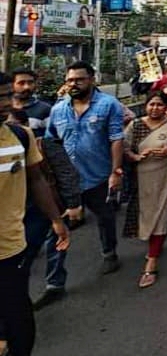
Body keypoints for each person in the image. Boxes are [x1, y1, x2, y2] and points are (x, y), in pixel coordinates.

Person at [0, 71, 71, 356]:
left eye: (7, 95)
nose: (6, 103)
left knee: (19, 320)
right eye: (0, 97)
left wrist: (56, 219)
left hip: (10, 247)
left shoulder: (20, 135)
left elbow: (37, 179)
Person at [47, 60, 124, 276]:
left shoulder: (108, 104)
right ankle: (54, 280)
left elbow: (116, 138)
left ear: (91, 79)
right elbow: (50, 141)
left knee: (105, 217)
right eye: (70, 80)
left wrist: (115, 172)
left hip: (99, 177)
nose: (74, 84)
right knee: (56, 227)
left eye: (79, 79)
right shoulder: (58, 110)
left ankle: (109, 254)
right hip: (67, 181)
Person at [13, 108, 81, 312]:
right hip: (20, 212)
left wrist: (72, 204)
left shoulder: (44, 144)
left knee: (55, 244)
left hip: (50, 206)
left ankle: (55, 284)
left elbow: (66, 173)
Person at [123, 92, 167, 288]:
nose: (155, 108)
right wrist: (135, 157)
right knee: (145, 216)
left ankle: (151, 263)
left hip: (166, 178)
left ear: (166, 106)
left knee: (160, 216)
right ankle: (154, 245)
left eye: (159, 105)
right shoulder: (135, 125)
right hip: (141, 179)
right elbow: (125, 148)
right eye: (151, 104)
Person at [11, 68, 51, 137]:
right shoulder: (4, 109)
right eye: (21, 83)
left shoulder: (45, 110)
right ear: (11, 85)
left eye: (30, 82)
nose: (27, 87)